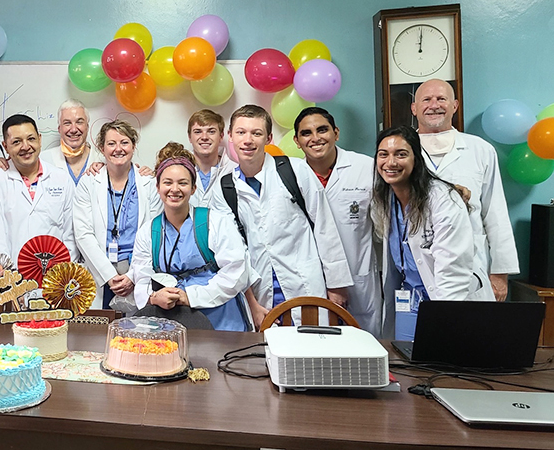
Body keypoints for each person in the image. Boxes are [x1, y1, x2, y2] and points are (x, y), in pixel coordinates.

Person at [208, 105, 353, 329]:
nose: (248, 140)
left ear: (269, 138)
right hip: (260, 293)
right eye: (241, 132)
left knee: (313, 353)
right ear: (229, 136)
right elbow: (233, 252)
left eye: (256, 133)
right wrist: (252, 304)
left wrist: (336, 286)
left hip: (305, 284)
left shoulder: (294, 171)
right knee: (268, 356)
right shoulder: (224, 188)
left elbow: (325, 228)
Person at [372, 126, 494, 340]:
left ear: (416, 159)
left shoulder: (443, 199)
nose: (390, 163)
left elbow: (452, 269)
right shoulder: (384, 199)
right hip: (409, 299)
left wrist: (444, 318)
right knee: (407, 365)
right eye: (383, 154)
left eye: (401, 154)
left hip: (449, 298)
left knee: (446, 364)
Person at [411, 79, 518, 301]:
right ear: (414, 108)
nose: (434, 105)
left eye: (441, 99)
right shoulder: (399, 152)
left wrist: (499, 273)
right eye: (426, 99)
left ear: (455, 106)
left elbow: (495, 213)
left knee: (470, 332)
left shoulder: (480, 150)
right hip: (415, 267)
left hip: (470, 268)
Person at [128, 143, 253, 331]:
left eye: (183, 183)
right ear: (158, 186)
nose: (174, 189)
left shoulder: (215, 222)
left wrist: (191, 297)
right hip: (171, 320)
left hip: (220, 319)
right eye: (168, 182)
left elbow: (236, 273)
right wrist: (153, 297)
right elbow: (142, 278)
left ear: (193, 188)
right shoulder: (149, 232)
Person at [293, 107, 382, 336]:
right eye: (306, 133)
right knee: (321, 347)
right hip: (312, 279)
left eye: (322, 130)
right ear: (296, 141)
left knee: (365, 343)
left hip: (358, 276)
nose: (315, 138)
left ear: (336, 133)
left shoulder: (366, 168)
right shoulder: (291, 175)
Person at [73, 120, 161, 312]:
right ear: (101, 148)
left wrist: (132, 276)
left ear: (133, 146)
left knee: (138, 335)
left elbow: (155, 235)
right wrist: (108, 275)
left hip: (138, 272)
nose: (118, 149)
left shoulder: (149, 183)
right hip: (100, 272)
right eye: (111, 144)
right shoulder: (89, 182)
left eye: (124, 143)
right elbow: (83, 233)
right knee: (98, 335)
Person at [0, 114, 77, 264]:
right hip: (12, 277)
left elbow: (70, 235)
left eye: (31, 139)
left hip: (54, 278)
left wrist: (63, 275)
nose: (25, 146)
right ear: (5, 146)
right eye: (17, 142)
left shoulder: (61, 178)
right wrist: (7, 279)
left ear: (39, 139)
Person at [38, 99, 103, 184]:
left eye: (79, 122)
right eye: (67, 123)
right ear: (59, 129)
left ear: (87, 127)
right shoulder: (43, 160)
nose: (73, 129)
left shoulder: (102, 160)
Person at [187, 109, 235, 206]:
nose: (204, 137)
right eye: (198, 132)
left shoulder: (234, 170)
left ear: (221, 136)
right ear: (189, 137)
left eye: (211, 131)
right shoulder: (177, 169)